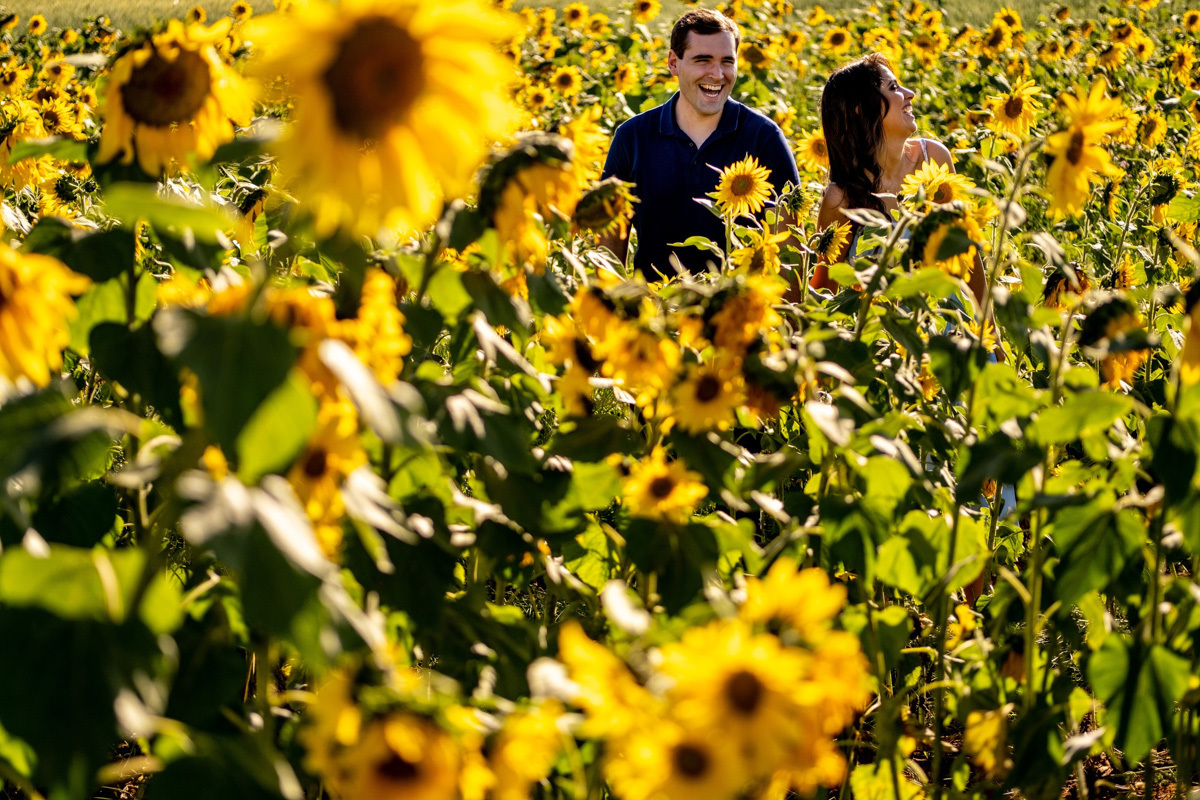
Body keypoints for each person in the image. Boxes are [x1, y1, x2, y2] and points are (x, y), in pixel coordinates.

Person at [600, 9, 800, 277]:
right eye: (703, 60)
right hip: (654, 311)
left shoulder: (764, 137)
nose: (717, 74)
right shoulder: (633, 137)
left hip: (738, 310)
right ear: (673, 62)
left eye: (727, 61)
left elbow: (788, 248)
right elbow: (609, 249)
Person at [810, 52, 989, 310]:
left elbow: (969, 257)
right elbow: (826, 287)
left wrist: (989, 333)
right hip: (884, 342)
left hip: (954, 332)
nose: (910, 93)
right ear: (861, 108)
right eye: (893, 87)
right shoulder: (841, 199)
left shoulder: (934, 159)